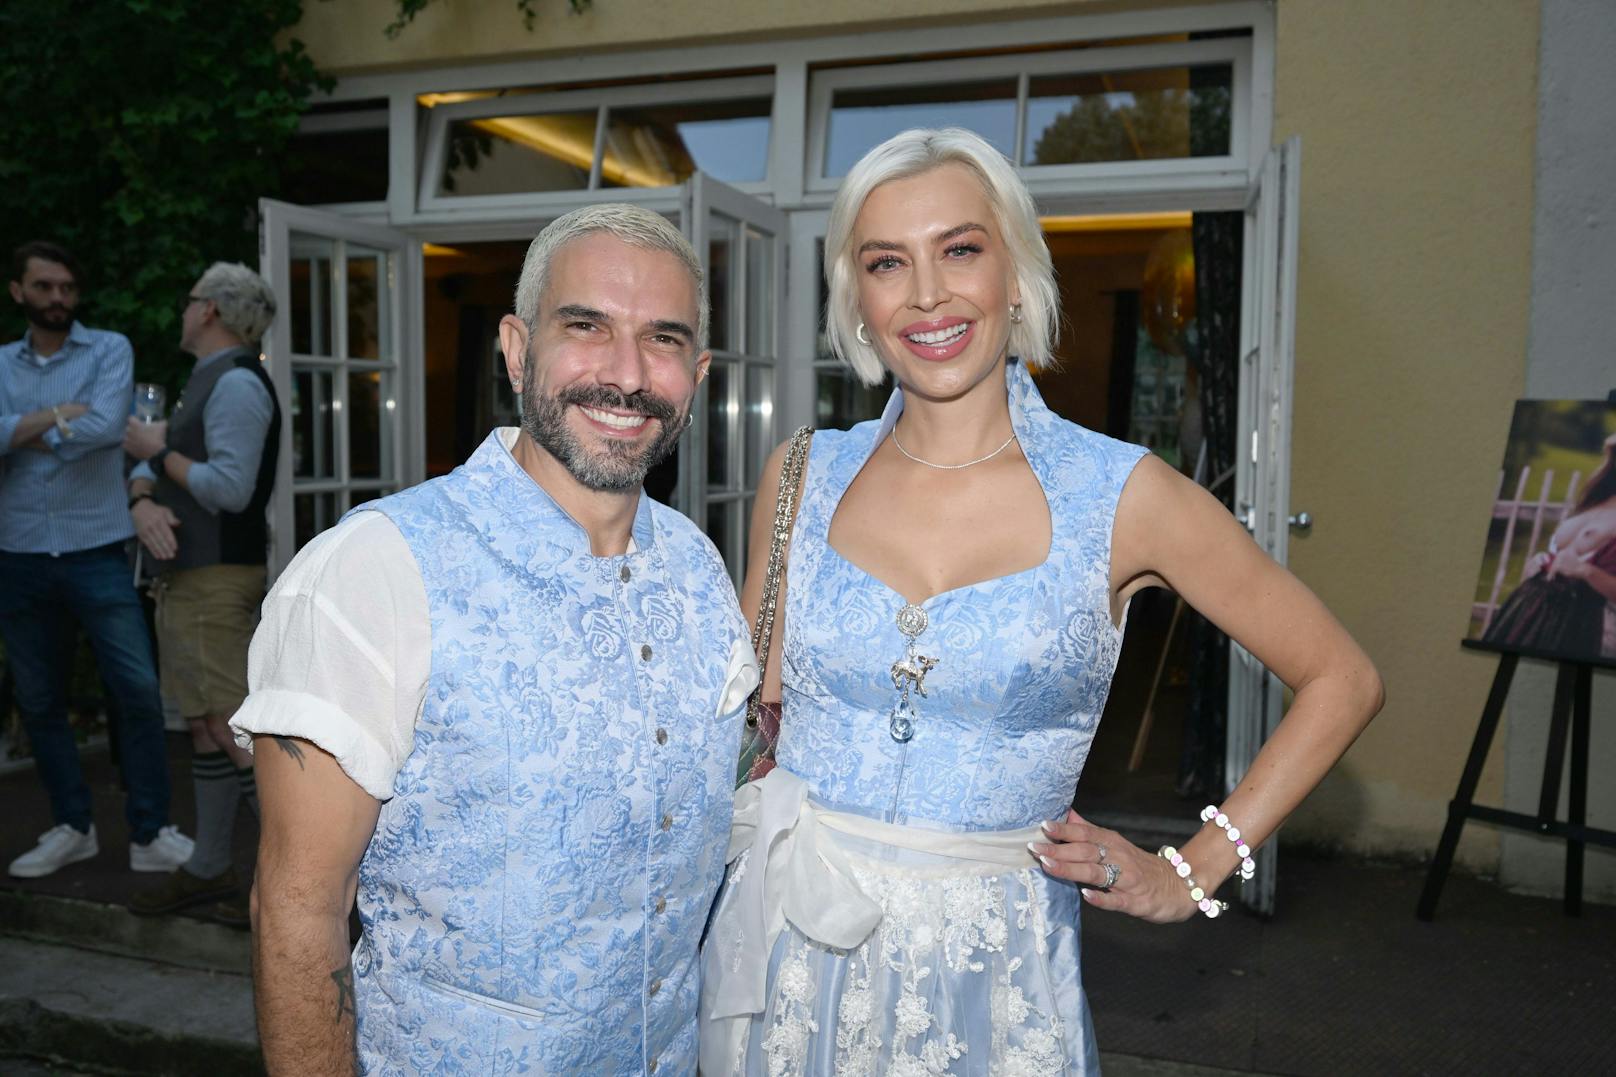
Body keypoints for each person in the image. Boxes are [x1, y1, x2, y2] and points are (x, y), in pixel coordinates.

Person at [698, 129, 1384, 1074]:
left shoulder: (1124, 494)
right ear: (856, 299)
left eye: (961, 249)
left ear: (1017, 273)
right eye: (887, 262)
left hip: (996, 984)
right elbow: (749, 733)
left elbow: (1341, 676)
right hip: (794, 970)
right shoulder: (802, 475)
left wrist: (1194, 869)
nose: (928, 293)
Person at [233, 204, 757, 1074]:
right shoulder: (375, 570)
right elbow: (296, 907)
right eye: (586, 326)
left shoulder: (699, 571)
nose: (627, 375)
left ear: (695, 374)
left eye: (662, 340)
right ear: (517, 350)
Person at [0, 241, 193, 879]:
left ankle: (150, 833)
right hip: (20, 553)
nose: (58, 298)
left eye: (66, 287)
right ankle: (71, 827)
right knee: (40, 699)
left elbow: (110, 427)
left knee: (136, 690)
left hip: (99, 550)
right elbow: (76, 428)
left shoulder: (109, 348)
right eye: (44, 286)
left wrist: (24, 429)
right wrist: (63, 414)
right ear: (18, 292)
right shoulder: (2, 362)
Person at [123, 263, 281, 923]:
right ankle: (209, 867)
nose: (182, 310)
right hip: (193, 580)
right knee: (206, 726)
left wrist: (157, 455)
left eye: (189, 300)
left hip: (216, 580)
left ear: (210, 309)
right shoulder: (212, 379)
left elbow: (229, 489)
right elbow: (153, 460)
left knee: (229, 725)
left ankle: (295, 883)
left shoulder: (238, 383)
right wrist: (142, 492)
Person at [1484, 431, 1616, 661]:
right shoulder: (1595, 501)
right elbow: (1557, 554)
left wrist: (1585, 571)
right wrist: (1535, 564)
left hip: (1572, 621)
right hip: (1524, 607)